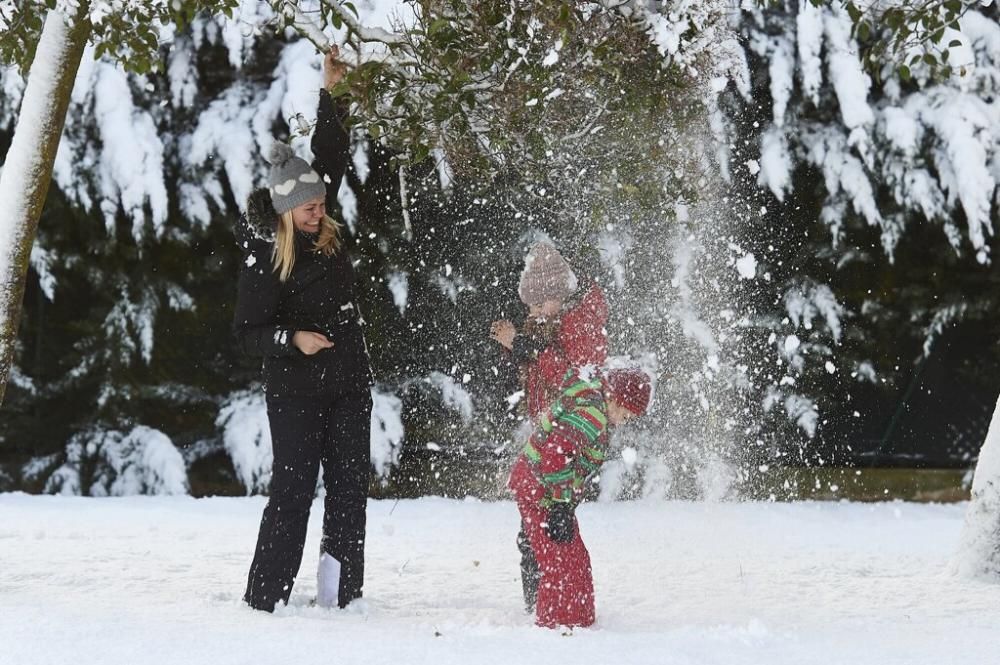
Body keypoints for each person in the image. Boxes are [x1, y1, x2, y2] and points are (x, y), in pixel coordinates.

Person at [234, 47, 373, 613]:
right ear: (286, 212)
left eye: (321, 202)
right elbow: (246, 334)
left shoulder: (319, 214)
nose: (319, 212)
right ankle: (266, 598)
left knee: (349, 491)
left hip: (349, 379)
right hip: (294, 388)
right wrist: (293, 340)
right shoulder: (265, 255)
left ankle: (342, 597)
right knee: (292, 493)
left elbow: (330, 152)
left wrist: (331, 91)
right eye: (309, 208)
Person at [489, 240, 608, 612]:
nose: (537, 312)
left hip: (568, 436)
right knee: (536, 527)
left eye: (543, 304)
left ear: (562, 295)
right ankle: (544, 598)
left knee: (548, 523)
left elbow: (571, 381)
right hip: (549, 434)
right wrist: (514, 346)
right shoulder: (551, 323)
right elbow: (539, 371)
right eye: (532, 307)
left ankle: (552, 599)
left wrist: (523, 346)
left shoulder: (579, 324)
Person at [508, 366, 652, 628]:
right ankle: (555, 624)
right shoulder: (591, 413)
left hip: (548, 493)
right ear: (614, 398)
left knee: (576, 560)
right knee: (559, 562)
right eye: (625, 414)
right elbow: (555, 456)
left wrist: (563, 503)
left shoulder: (594, 405)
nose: (623, 421)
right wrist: (560, 505)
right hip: (540, 493)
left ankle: (578, 619)